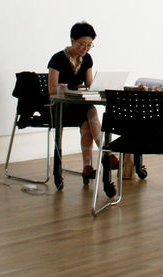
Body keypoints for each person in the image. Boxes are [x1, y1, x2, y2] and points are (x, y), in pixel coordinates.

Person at [47, 21, 116, 196]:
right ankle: (106, 154)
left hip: (78, 106)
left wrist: (98, 88)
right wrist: (71, 91)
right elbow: (52, 90)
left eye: (89, 45)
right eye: (82, 44)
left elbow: (89, 84)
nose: (85, 48)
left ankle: (87, 167)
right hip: (60, 108)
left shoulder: (87, 59)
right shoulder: (57, 59)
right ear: (72, 40)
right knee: (90, 112)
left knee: (88, 118)